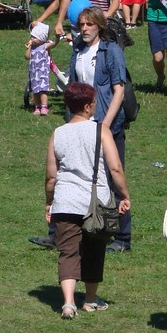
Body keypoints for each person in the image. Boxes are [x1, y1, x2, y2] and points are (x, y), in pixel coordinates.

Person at [45, 82, 131, 319]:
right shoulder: (100, 130)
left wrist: (49, 203)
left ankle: (68, 303)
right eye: (93, 102)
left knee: (67, 252)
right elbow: (115, 168)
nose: (95, 105)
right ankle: (90, 300)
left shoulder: (58, 133)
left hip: (65, 201)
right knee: (95, 250)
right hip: (96, 202)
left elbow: (52, 176)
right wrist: (124, 195)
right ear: (86, 106)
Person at [67, 7, 131, 253]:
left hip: (108, 125)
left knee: (115, 179)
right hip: (81, 124)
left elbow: (119, 90)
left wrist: (105, 124)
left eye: (89, 24)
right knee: (76, 177)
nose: (84, 28)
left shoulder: (110, 51)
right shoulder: (78, 51)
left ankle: (123, 238)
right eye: (81, 24)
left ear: (99, 27)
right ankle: (65, 232)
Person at [26, 21, 58, 116]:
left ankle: (44, 107)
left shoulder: (44, 46)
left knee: (43, 90)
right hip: (34, 73)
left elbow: (54, 44)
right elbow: (27, 57)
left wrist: (57, 38)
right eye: (32, 36)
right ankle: (37, 106)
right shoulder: (32, 48)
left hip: (43, 72)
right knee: (35, 90)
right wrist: (28, 47)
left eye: (34, 37)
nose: (32, 39)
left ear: (42, 38)